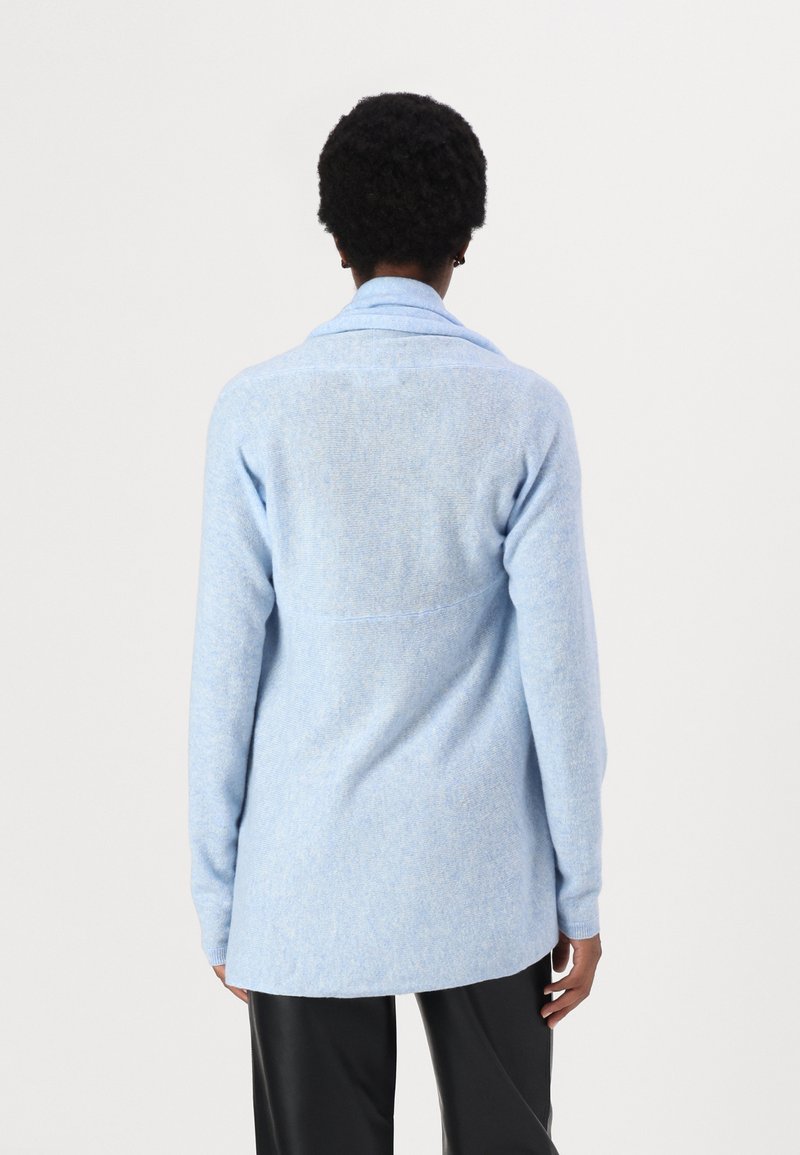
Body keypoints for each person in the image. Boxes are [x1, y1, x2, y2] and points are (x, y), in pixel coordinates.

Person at [188, 91, 607, 1154]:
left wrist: (220, 897)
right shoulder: (523, 412)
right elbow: (562, 682)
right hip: (488, 882)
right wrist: (581, 894)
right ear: (466, 234)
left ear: (335, 235)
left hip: (303, 880)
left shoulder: (256, 410)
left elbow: (223, 679)